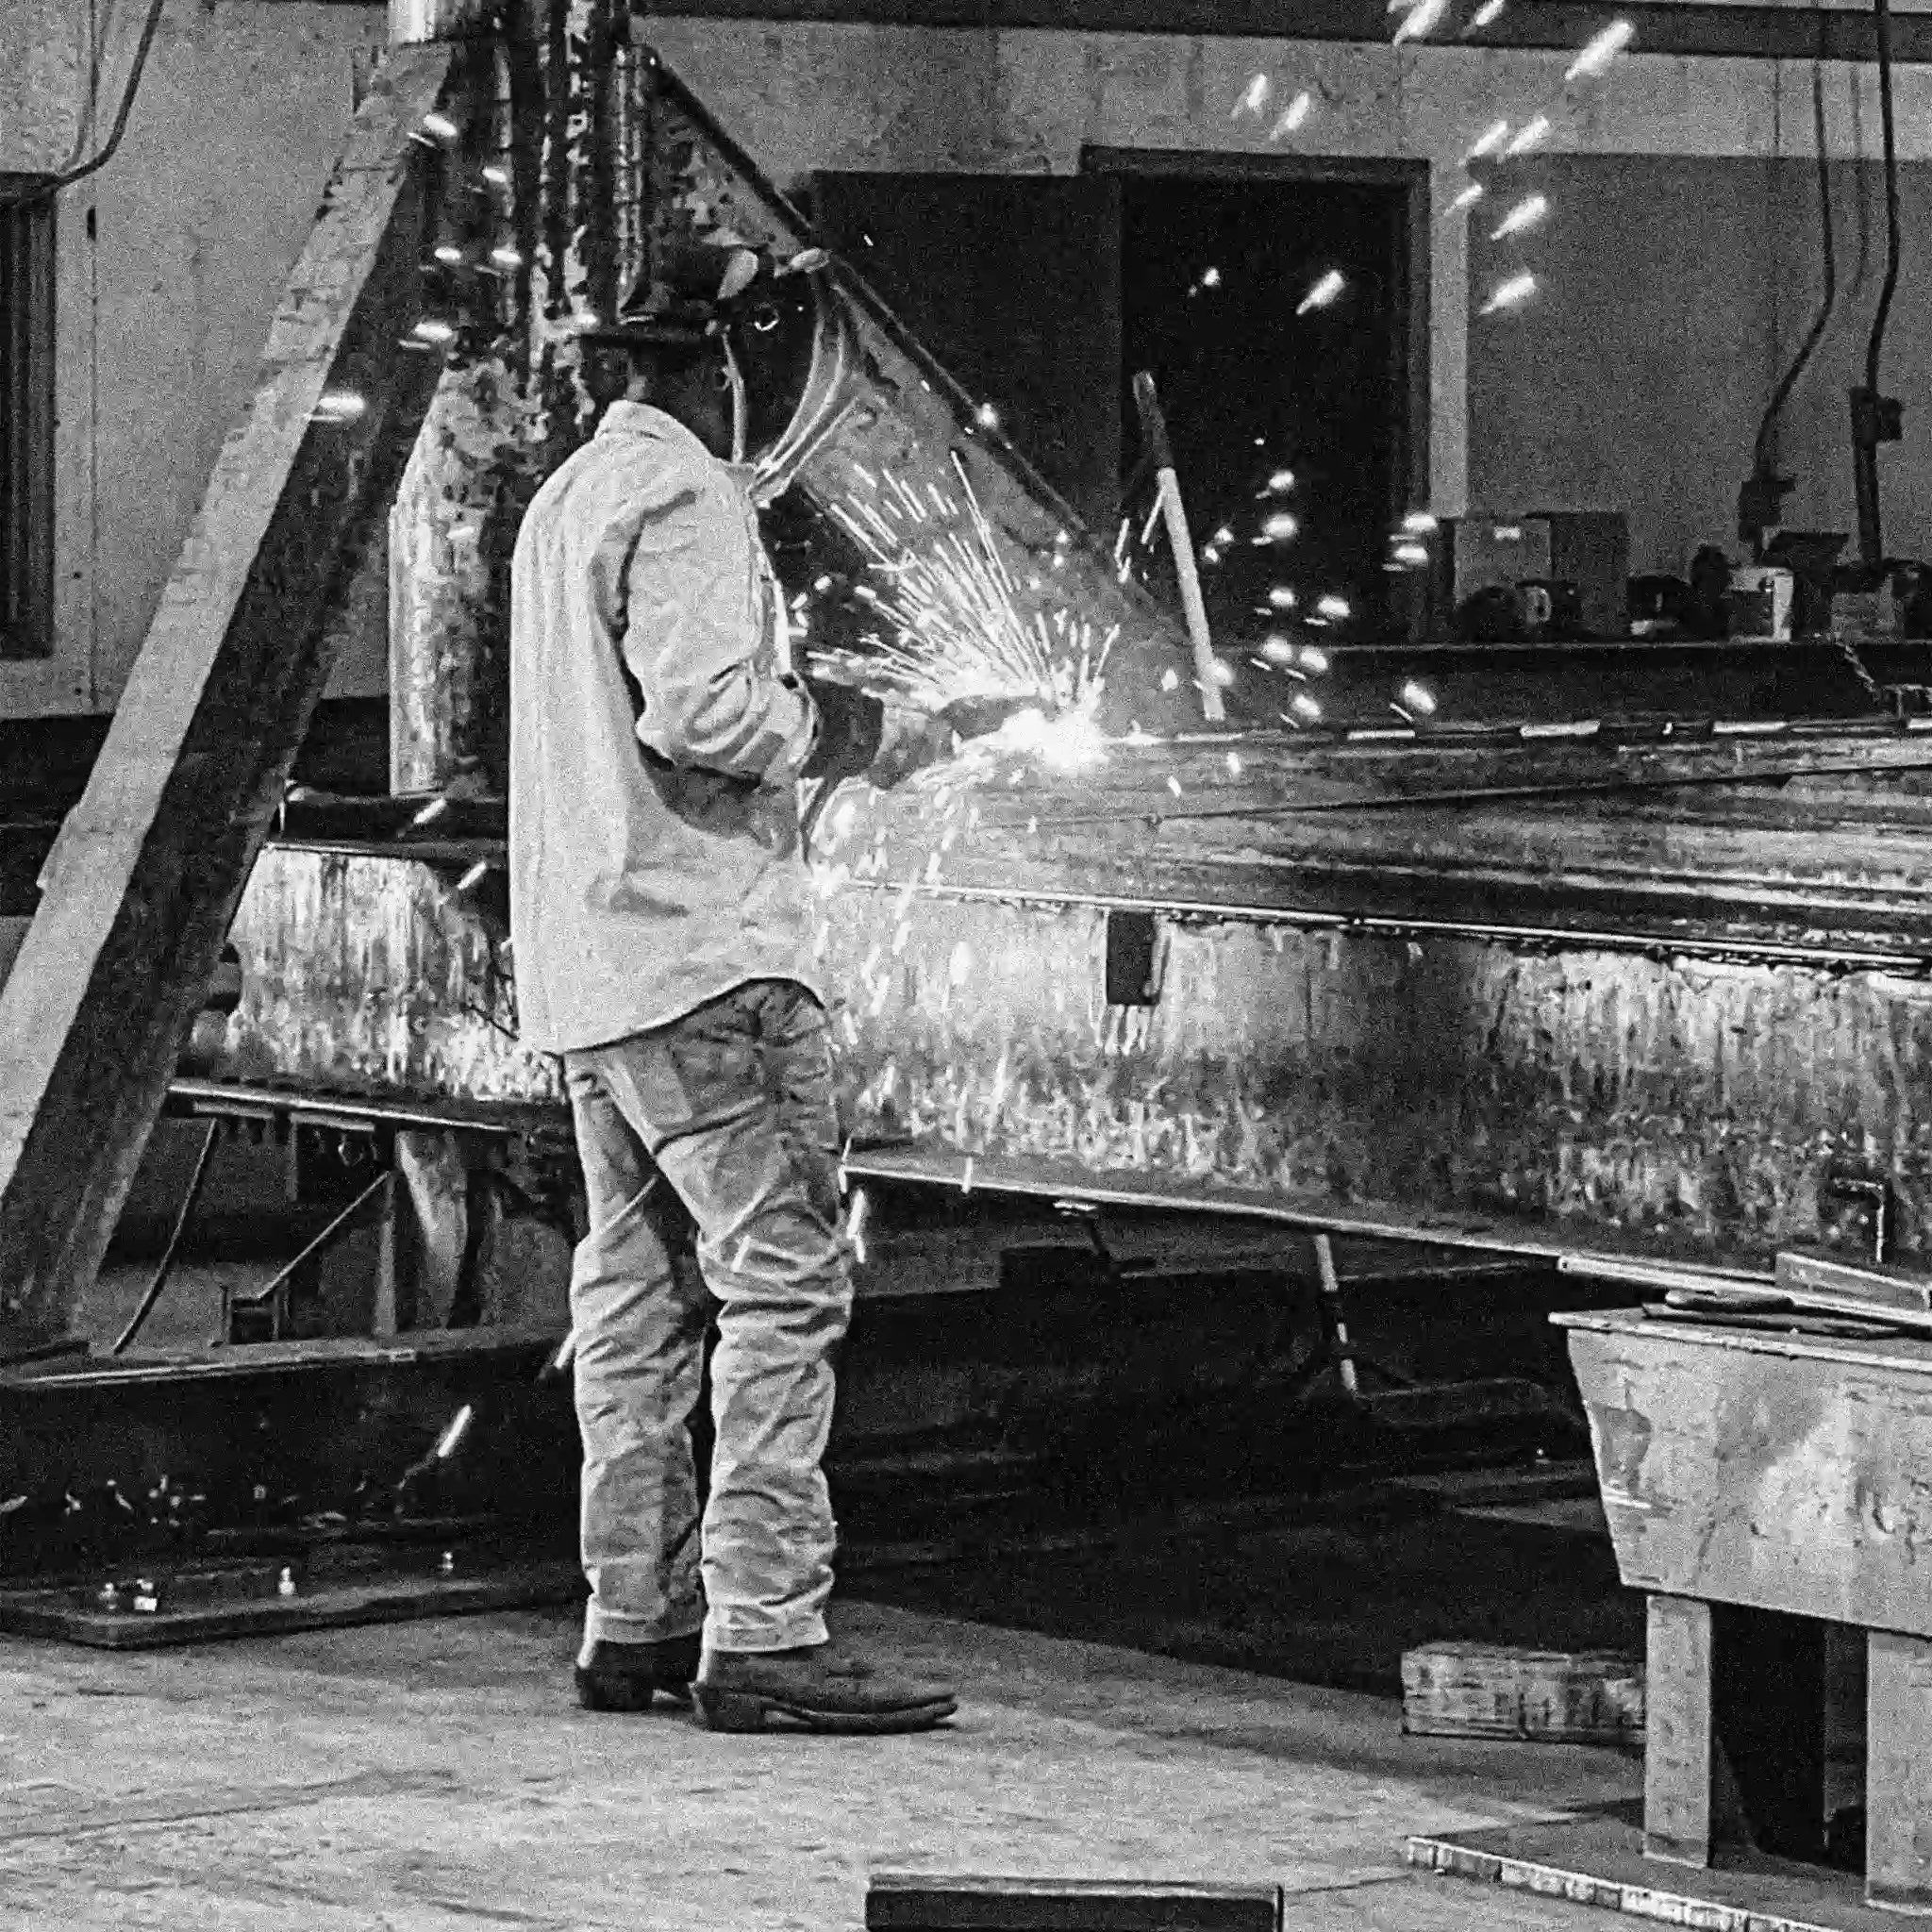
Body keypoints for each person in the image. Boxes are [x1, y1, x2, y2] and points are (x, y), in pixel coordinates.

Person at [508, 238, 971, 1735]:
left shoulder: (565, 497)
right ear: (731, 358)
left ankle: (633, 1619)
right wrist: (872, 732)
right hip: (711, 965)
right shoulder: (689, 491)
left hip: (596, 971)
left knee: (636, 1299)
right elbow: (709, 712)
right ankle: (769, 1629)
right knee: (785, 1284)